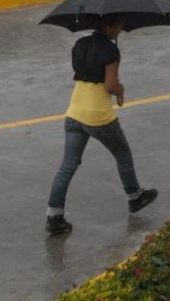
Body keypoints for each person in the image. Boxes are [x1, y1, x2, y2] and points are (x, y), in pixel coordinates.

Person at [45, 13, 157, 235]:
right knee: (122, 153)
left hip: (75, 111)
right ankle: (135, 197)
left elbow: (85, 73)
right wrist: (121, 90)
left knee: (68, 165)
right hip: (99, 115)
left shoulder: (79, 44)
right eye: (119, 25)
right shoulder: (110, 50)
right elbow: (109, 85)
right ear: (108, 28)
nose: (121, 29)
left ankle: (54, 216)